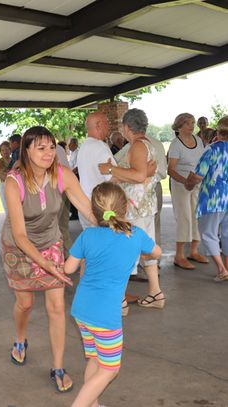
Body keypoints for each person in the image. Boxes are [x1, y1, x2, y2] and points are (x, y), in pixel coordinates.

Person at [1, 126, 95, 393]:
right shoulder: (14, 181)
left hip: (50, 241)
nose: (48, 153)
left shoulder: (62, 174)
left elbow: (86, 207)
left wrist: (114, 221)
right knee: (26, 303)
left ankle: (57, 367)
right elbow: (20, 235)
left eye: (52, 147)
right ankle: (20, 339)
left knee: (56, 306)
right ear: (27, 151)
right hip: (19, 248)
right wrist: (43, 263)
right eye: (40, 148)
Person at [64, 182, 161, 407]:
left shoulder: (87, 236)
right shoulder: (135, 235)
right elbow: (155, 252)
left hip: (82, 311)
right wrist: (142, 251)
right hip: (106, 317)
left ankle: (94, 405)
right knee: (110, 369)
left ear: (94, 211)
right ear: (125, 207)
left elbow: (68, 268)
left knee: (95, 359)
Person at [99, 108, 164, 310]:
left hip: (135, 210)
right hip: (145, 207)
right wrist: (119, 174)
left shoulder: (137, 146)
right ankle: (155, 294)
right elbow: (140, 173)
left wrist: (109, 169)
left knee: (124, 254)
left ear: (127, 127)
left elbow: (137, 175)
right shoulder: (148, 144)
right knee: (146, 251)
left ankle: (119, 303)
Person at [185, 115, 228, 281]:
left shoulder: (213, 149)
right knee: (227, 234)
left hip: (213, 198)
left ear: (220, 129)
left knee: (208, 233)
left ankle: (222, 269)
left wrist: (189, 184)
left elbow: (198, 175)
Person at [167, 113, 207, 270]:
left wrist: (197, 179)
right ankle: (179, 256)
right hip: (180, 184)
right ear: (180, 126)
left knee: (196, 217)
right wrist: (186, 181)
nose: (192, 126)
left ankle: (194, 252)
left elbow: (202, 161)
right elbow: (170, 170)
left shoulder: (198, 140)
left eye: (193, 123)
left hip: (196, 183)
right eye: (188, 123)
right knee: (184, 219)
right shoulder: (176, 144)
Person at [76, 112, 115, 230]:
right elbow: (113, 178)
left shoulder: (83, 147)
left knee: (92, 245)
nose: (109, 125)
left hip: (84, 205)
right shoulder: (100, 146)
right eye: (107, 122)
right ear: (98, 125)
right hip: (100, 208)